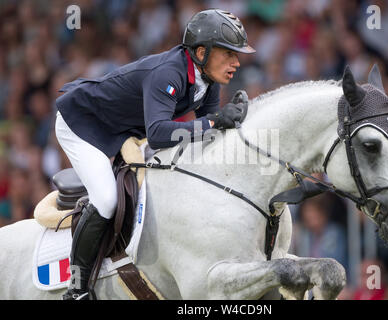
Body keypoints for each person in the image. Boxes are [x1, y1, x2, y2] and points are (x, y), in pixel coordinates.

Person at [54, 9, 255, 300]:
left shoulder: (207, 79)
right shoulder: (168, 73)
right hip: (82, 124)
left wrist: (231, 125)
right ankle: (77, 289)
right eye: (229, 54)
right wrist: (214, 122)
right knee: (107, 200)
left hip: (121, 131)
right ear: (201, 52)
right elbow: (161, 134)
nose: (237, 62)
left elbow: (207, 129)